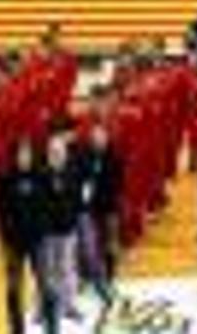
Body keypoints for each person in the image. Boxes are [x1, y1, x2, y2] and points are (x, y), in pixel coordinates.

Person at [0, 140, 50, 334]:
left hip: (36, 240)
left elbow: (45, 207)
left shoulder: (40, 176)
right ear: (15, 156)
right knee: (14, 287)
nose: (24, 158)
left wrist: (42, 231)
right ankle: (16, 327)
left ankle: (49, 323)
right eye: (21, 154)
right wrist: (6, 235)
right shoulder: (5, 179)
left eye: (27, 154)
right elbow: (1, 211)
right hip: (13, 242)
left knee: (44, 282)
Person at [75, 124, 121, 303]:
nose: (99, 140)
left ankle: (109, 277)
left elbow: (118, 182)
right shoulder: (85, 157)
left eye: (102, 136)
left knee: (110, 244)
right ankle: (88, 278)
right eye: (96, 137)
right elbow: (82, 180)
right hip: (91, 209)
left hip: (109, 208)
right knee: (90, 246)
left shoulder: (114, 158)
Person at [41, 136, 83, 327]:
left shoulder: (73, 174)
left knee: (67, 269)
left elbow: (77, 202)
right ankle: (46, 308)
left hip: (67, 230)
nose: (56, 156)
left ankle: (69, 306)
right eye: (53, 153)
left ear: (65, 155)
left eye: (59, 153)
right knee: (48, 271)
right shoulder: (42, 175)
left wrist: (73, 222)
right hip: (47, 231)